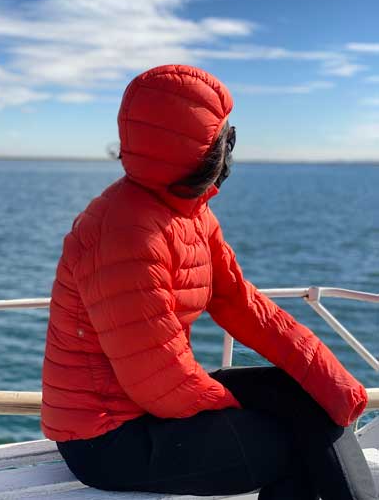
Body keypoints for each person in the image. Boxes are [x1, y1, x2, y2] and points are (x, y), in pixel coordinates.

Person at [41, 64, 377, 499]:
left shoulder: (188, 213)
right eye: (225, 139)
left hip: (152, 402)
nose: (229, 150)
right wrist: (241, 413)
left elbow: (240, 302)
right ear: (196, 151)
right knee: (292, 442)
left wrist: (329, 378)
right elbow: (157, 376)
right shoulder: (126, 234)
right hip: (106, 436)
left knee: (311, 398)